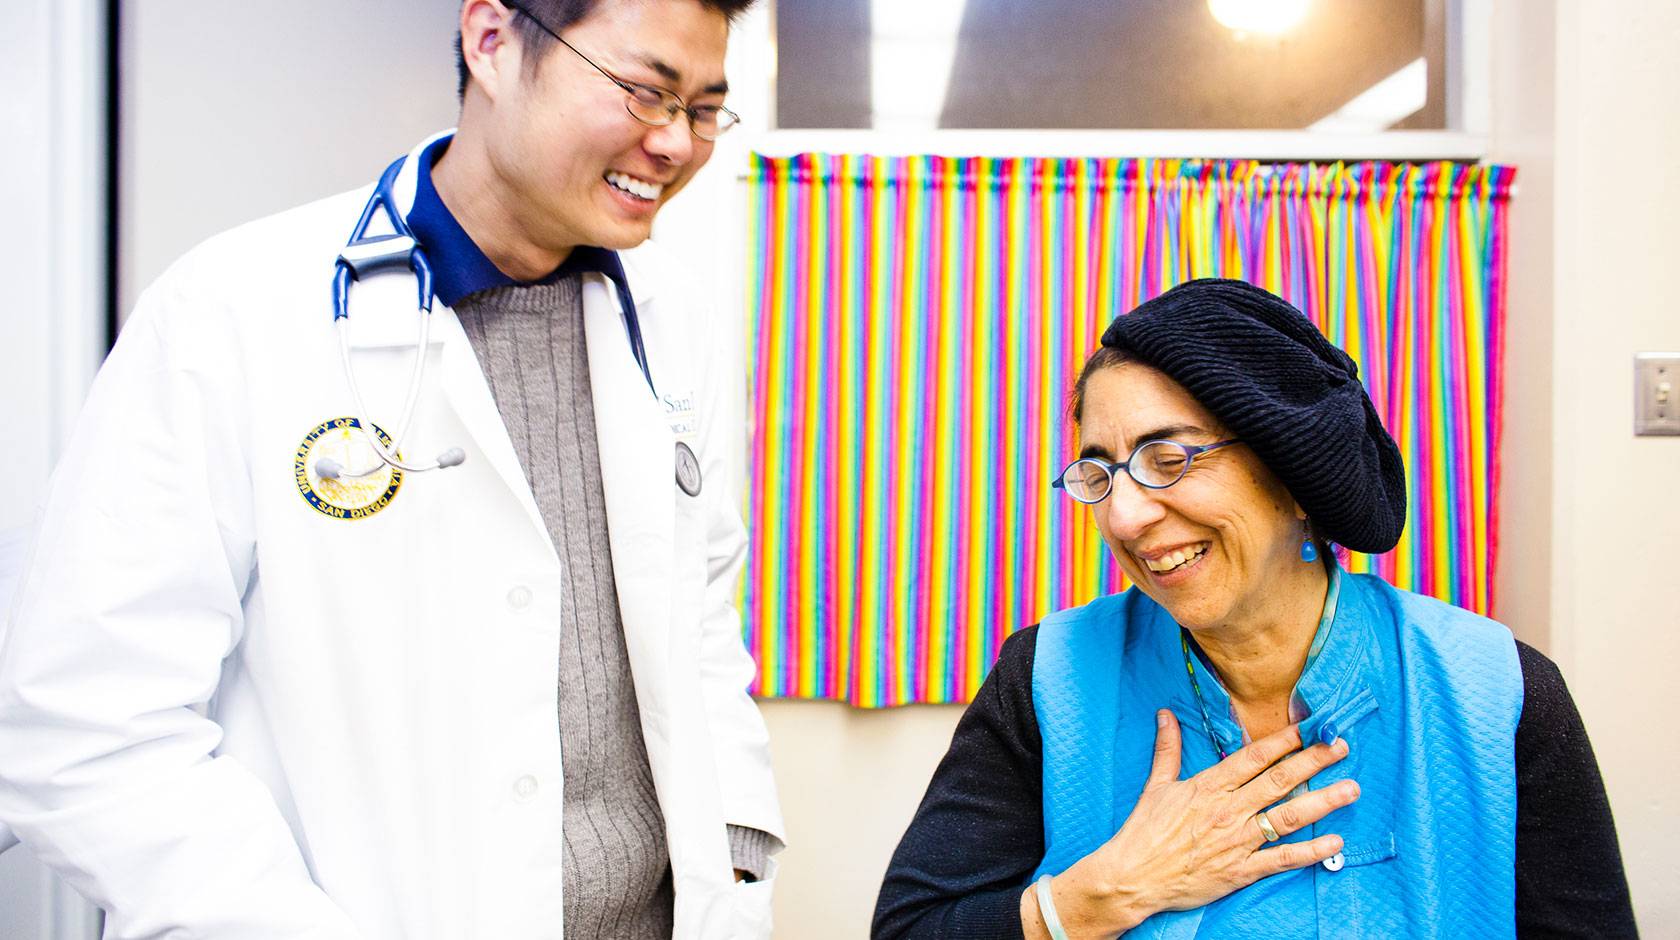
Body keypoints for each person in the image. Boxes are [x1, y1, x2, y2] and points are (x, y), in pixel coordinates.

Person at [0, 1, 783, 937]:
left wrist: (734, 850)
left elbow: (698, 627)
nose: (673, 144)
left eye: (703, 110)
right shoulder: (236, 311)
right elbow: (86, 727)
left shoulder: (671, 323)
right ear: (491, 40)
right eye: (645, 92)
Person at [873, 279, 1635, 939]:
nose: (1127, 517)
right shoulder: (1049, 679)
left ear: (1295, 478)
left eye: (1168, 460)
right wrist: (1101, 895)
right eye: (1099, 473)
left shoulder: (1492, 690)